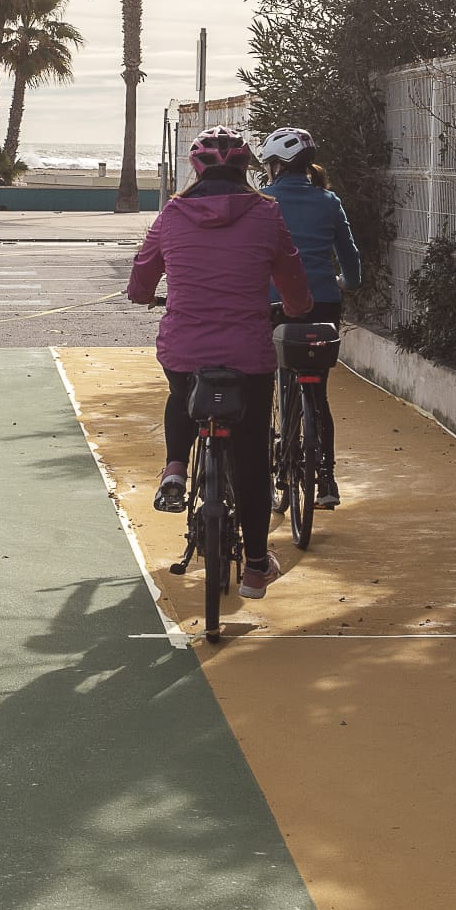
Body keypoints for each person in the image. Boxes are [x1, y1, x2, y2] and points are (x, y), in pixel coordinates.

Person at [126, 127, 313, 598]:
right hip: (248, 355)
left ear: (196, 169)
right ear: (247, 168)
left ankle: (175, 468)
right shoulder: (266, 214)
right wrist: (296, 308)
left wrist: (145, 296)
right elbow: (291, 275)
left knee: (181, 391)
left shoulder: (172, 215)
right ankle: (255, 568)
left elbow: (142, 275)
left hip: (184, 348)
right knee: (251, 457)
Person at [258, 126, 362, 508]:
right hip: (324, 305)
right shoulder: (329, 201)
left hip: (274, 304)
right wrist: (346, 282)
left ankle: (271, 462)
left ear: (275, 166)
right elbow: (350, 257)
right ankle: (327, 480)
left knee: (266, 381)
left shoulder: (263, 202)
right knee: (317, 391)